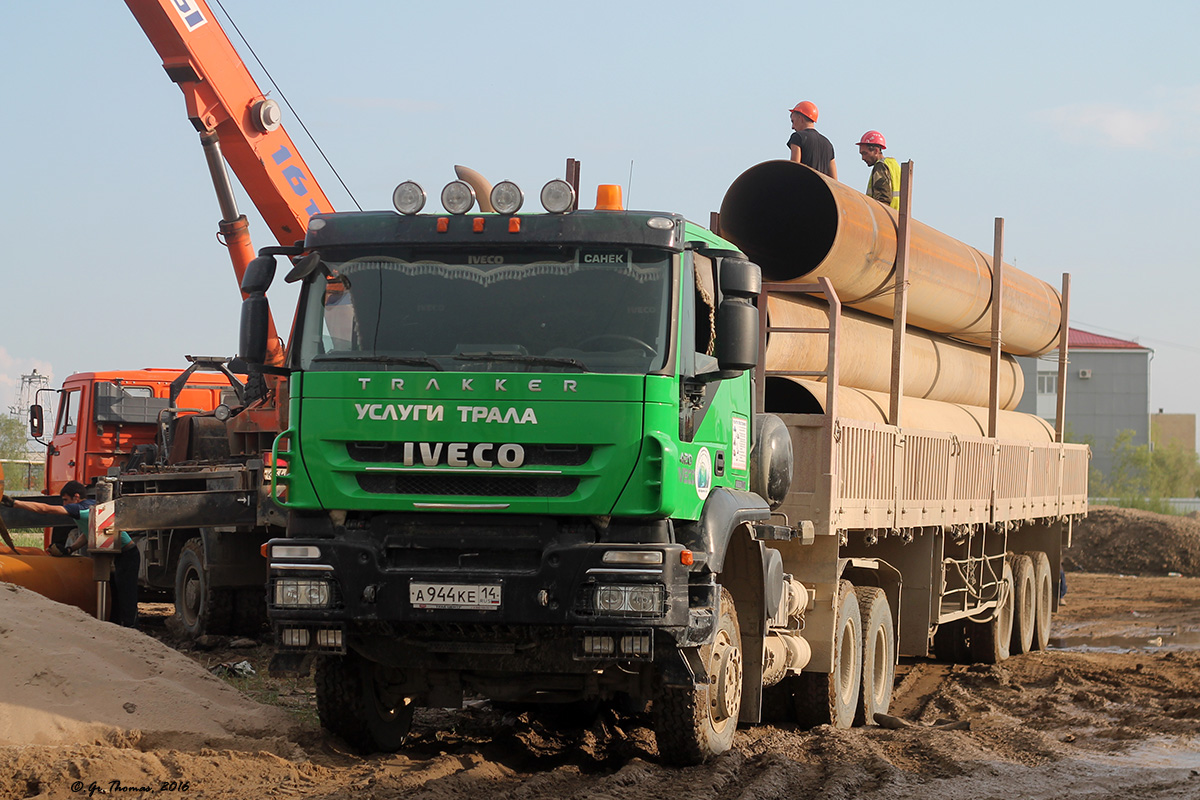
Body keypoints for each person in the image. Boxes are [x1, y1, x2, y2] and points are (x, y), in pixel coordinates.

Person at [2, 482, 140, 628]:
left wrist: (14, 503)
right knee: (121, 589)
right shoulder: (92, 506)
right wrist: (70, 549)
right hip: (124, 554)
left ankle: (130, 626)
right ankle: (124, 623)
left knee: (127, 592)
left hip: (127, 555)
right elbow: (89, 533)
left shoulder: (80, 508)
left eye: (65, 500)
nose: (64, 504)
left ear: (76, 497)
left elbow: (44, 509)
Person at [787, 101, 837, 179]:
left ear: (801, 118)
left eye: (793, 121)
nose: (792, 127)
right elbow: (835, 181)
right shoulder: (828, 144)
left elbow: (794, 168)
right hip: (822, 190)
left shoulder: (797, 137)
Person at [856, 130, 900, 209]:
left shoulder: (880, 166)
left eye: (865, 153)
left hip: (885, 217)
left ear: (876, 150)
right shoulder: (894, 165)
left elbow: (882, 200)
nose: (863, 158)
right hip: (897, 216)